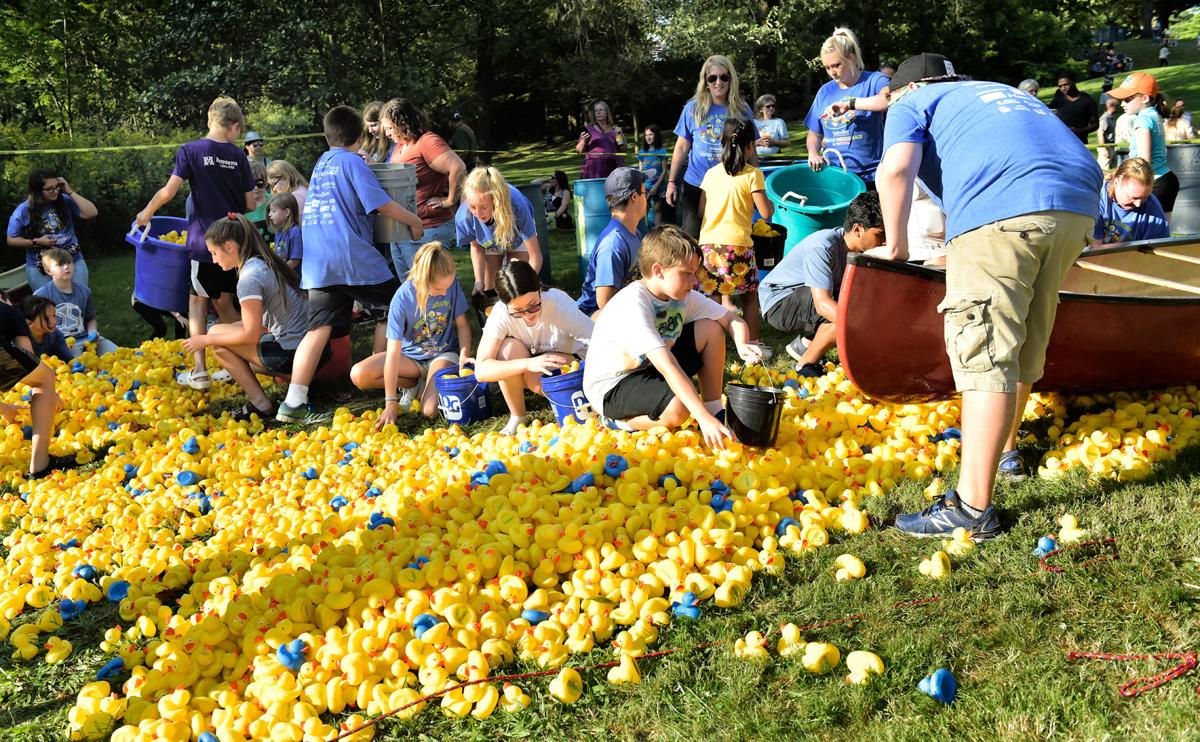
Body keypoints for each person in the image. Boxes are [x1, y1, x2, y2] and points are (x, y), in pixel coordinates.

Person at [875, 53, 1102, 539]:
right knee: (1022, 341)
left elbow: (895, 171)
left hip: (1003, 205)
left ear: (905, 89)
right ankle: (1006, 451)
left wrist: (896, 246)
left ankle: (972, 510)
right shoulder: (994, 93)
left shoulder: (912, 101)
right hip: (1079, 203)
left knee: (984, 349)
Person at [276, 105, 424, 424]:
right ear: (359, 137)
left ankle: (293, 401)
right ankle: (414, 380)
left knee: (317, 330)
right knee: (405, 307)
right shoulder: (352, 162)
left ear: (328, 136)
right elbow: (380, 203)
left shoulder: (322, 163)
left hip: (319, 264)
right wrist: (413, 220)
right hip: (351, 258)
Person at [582, 224, 761, 448]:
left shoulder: (681, 296)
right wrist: (700, 418)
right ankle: (618, 422)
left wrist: (742, 343)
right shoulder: (633, 304)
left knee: (711, 328)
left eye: (695, 273)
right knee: (679, 410)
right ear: (658, 271)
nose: (694, 281)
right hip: (613, 386)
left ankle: (714, 409)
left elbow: (730, 319)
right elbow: (668, 366)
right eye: (687, 273)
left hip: (648, 369)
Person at [136, 96, 254, 391]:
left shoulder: (190, 151)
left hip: (205, 244)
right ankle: (246, 362)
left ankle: (200, 371)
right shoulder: (240, 156)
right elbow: (250, 203)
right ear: (235, 126)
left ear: (210, 121)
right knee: (226, 303)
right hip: (236, 242)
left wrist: (145, 213)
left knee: (197, 302)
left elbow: (169, 192)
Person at [184, 214, 323, 421]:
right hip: (311, 349)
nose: (213, 260)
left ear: (229, 247)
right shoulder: (263, 262)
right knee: (222, 332)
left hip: (292, 353)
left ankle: (261, 404)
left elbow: (250, 334)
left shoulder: (249, 277)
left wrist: (206, 340)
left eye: (214, 253)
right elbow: (257, 323)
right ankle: (295, 384)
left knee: (218, 339)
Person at [758, 193, 885, 374]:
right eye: (880, 235)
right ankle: (804, 368)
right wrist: (869, 331)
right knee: (842, 313)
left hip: (807, 296)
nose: (886, 241)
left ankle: (804, 345)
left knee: (850, 307)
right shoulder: (823, 247)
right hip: (777, 303)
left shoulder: (860, 251)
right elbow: (823, 305)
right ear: (857, 229)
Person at [350, 241, 472, 423]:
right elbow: (392, 353)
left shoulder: (451, 285)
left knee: (429, 411)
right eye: (439, 289)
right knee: (359, 374)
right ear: (422, 280)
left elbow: (462, 325)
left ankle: (424, 386)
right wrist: (390, 402)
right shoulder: (401, 298)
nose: (444, 292)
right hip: (411, 360)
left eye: (448, 286)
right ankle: (413, 384)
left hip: (443, 355)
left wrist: (464, 354)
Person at [475, 261, 594, 435]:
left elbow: (598, 341)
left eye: (533, 305)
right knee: (507, 350)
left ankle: (575, 400)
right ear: (503, 303)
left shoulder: (558, 304)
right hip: (533, 364)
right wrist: (527, 364)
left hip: (571, 364)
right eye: (517, 311)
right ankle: (517, 416)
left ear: (539, 288)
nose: (528, 315)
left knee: (533, 378)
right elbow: (481, 370)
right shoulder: (500, 313)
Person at [698, 118, 773, 356]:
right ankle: (755, 344)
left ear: (722, 143)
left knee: (713, 298)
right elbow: (766, 212)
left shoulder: (710, 174)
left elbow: (701, 210)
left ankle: (714, 343)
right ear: (750, 146)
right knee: (749, 297)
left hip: (709, 244)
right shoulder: (753, 174)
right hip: (739, 245)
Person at [666, 54, 754, 237]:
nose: (718, 82)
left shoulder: (743, 109)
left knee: (727, 239)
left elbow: (751, 149)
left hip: (730, 185)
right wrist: (672, 182)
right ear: (705, 81)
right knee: (693, 239)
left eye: (724, 77)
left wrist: (754, 184)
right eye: (712, 78)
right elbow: (681, 147)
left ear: (731, 80)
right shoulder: (693, 108)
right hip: (696, 184)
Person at [381, 98, 466, 279]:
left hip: (427, 229)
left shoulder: (427, 141)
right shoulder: (401, 146)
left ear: (402, 122)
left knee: (433, 286)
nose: (387, 133)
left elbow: (457, 167)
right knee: (412, 290)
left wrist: (450, 200)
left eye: (389, 128)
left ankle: (454, 308)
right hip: (402, 230)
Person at [805, 28, 889, 186]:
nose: (832, 73)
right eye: (827, 68)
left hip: (872, 176)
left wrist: (850, 104)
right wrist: (813, 153)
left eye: (836, 65)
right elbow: (814, 134)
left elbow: (888, 100)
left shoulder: (875, 80)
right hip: (835, 175)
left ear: (851, 58)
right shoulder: (825, 91)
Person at [7, 169, 97, 292]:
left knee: (79, 302)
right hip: (41, 268)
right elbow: (11, 240)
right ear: (37, 190)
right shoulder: (23, 210)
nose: (55, 191)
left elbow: (91, 213)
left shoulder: (64, 200)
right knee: (49, 307)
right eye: (50, 188)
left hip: (73, 261)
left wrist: (69, 191)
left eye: (57, 187)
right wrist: (36, 242)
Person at [456, 166, 542, 294]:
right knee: (490, 289)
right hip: (490, 242)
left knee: (517, 284)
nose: (478, 214)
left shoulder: (517, 207)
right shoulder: (464, 217)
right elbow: (476, 247)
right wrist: (479, 280)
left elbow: (536, 257)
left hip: (518, 238)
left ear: (495, 201)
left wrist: (528, 283)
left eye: (484, 207)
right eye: (473, 207)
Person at [0, 298, 60, 478]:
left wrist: (4, 408)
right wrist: (50, 396)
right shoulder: (14, 315)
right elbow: (31, 364)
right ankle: (40, 464)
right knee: (45, 378)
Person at [1107, 72, 1178, 222]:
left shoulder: (1143, 119)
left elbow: (1143, 162)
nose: (1122, 104)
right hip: (1166, 179)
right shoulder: (1154, 115)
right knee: (1162, 236)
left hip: (1152, 182)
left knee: (1141, 236)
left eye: (1127, 99)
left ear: (1145, 98)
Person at [577, 168, 647, 318]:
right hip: (593, 320)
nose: (647, 198)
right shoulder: (613, 244)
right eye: (645, 193)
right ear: (634, 196)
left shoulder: (634, 233)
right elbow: (605, 302)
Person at [33, 248, 117, 356]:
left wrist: (93, 332)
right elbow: (38, 328)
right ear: (48, 271)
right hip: (62, 344)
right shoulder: (41, 295)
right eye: (60, 265)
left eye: (69, 263)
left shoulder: (84, 291)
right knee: (83, 368)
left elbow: (90, 318)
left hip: (86, 338)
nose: (66, 267)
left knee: (117, 353)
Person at [1093, 157, 1170, 245]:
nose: (1138, 204)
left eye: (1144, 197)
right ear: (1116, 182)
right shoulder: (1096, 199)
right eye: (1134, 197)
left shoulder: (1153, 209)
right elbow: (1094, 251)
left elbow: (1159, 252)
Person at [576, 100, 625, 180]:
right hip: (593, 169)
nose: (598, 112)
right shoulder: (589, 129)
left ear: (607, 112)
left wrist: (619, 137)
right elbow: (578, 150)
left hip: (612, 168)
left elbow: (622, 150)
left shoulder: (615, 130)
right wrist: (584, 141)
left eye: (601, 110)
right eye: (596, 111)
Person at [1048, 72, 1099, 145]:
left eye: (1066, 84)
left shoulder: (1087, 100)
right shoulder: (1058, 99)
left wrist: (1079, 131)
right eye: (1060, 86)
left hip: (1080, 143)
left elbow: (1095, 125)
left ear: (1074, 82)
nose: (1063, 88)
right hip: (1060, 142)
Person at [19, 296, 72, 363]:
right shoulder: (23, 342)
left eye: (54, 315)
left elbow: (69, 359)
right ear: (29, 322)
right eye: (46, 319)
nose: (54, 321)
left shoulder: (55, 334)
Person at [637, 125, 668, 226]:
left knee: (657, 208)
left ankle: (657, 232)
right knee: (645, 208)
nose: (648, 137)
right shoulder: (642, 153)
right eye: (646, 135)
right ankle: (646, 232)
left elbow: (664, 171)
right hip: (646, 186)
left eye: (650, 134)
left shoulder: (661, 151)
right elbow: (640, 170)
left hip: (659, 186)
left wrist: (656, 187)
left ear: (656, 135)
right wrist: (641, 185)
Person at [268, 192, 303, 272]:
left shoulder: (295, 232)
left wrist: (278, 272)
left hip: (293, 280)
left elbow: (295, 261)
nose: (269, 214)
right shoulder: (278, 232)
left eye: (273, 211)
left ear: (287, 212)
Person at [245, 162, 272, 243]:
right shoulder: (241, 208)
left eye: (260, 182)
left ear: (266, 181)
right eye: (252, 183)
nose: (256, 187)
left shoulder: (275, 201)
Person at [1097, 98, 1120, 169]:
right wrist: (1103, 148)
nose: (1118, 108)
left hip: (1112, 146)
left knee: (1113, 169)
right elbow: (1100, 133)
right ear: (1112, 106)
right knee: (1104, 168)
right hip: (1106, 146)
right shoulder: (1105, 118)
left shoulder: (1111, 118)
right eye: (1117, 106)